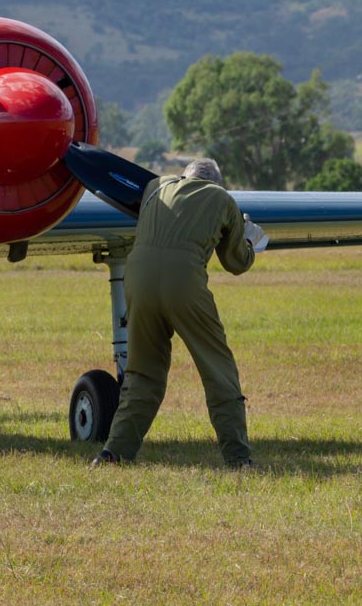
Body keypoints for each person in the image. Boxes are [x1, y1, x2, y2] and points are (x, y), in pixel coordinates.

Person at [91, 158, 267, 468]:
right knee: (218, 370)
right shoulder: (222, 198)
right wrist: (249, 239)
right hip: (184, 283)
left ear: (184, 175)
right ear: (216, 182)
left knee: (142, 373)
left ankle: (114, 453)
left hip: (137, 279)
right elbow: (237, 262)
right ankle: (239, 459)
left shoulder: (155, 186)